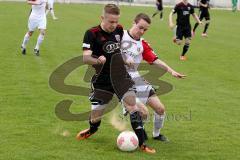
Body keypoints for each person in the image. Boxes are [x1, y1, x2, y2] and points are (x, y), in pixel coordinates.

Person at [76, 4, 156, 154]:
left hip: (121, 77)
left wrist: (125, 60)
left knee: (133, 107)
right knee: (96, 116)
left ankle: (142, 144)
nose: (114, 25)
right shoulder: (91, 33)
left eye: (116, 21)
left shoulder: (119, 30)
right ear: (102, 18)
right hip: (102, 80)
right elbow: (86, 58)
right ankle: (92, 130)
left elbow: (118, 51)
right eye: (110, 22)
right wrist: (97, 60)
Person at [121, 13, 186, 142]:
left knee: (160, 109)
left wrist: (171, 71)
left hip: (136, 78)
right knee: (144, 112)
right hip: (120, 80)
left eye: (145, 30)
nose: (142, 31)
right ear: (134, 22)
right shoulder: (119, 35)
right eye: (140, 27)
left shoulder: (142, 45)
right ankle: (138, 129)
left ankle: (156, 134)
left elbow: (155, 60)